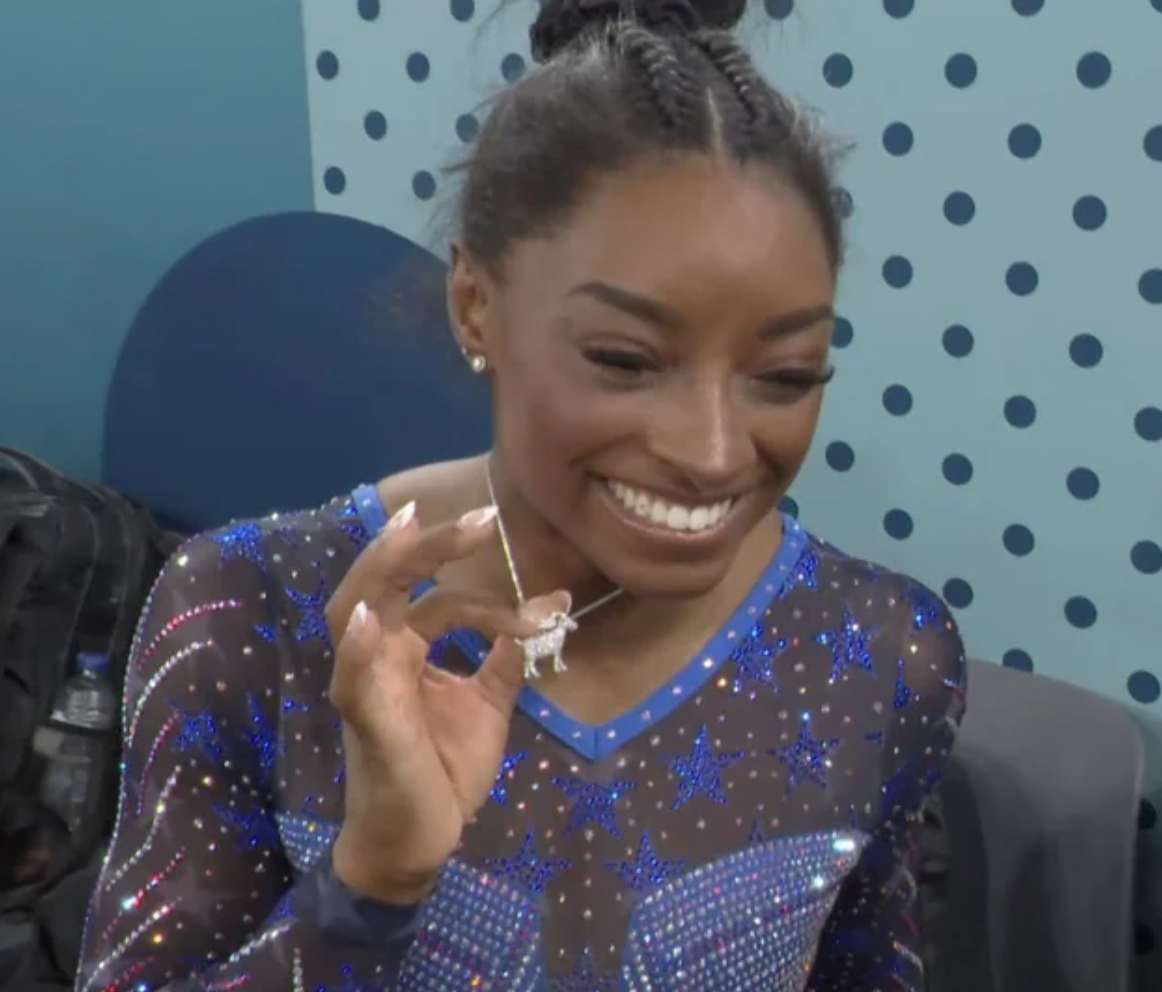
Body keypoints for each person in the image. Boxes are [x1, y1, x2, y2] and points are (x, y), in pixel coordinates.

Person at [75, 1, 967, 989]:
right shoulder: (248, 615)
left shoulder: (886, 654)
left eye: (787, 374)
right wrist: (370, 880)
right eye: (626, 359)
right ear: (476, 304)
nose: (715, 454)